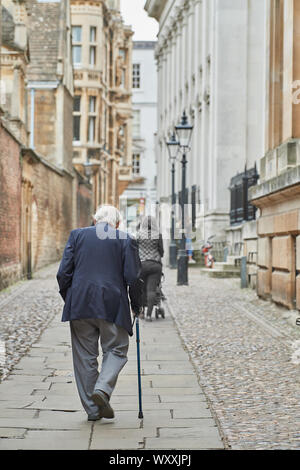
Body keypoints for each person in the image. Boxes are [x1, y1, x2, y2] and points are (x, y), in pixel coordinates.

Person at [56, 205, 142, 422]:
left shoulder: (77, 235)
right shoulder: (125, 239)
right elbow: (133, 277)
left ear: (95, 220)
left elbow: (63, 274)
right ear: (118, 223)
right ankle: (103, 389)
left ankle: (93, 411)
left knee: (85, 357)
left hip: (80, 304)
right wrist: (137, 305)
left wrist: (72, 299)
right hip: (112, 305)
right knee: (117, 349)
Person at [137, 215, 164, 322]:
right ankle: (149, 315)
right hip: (155, 265)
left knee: (142, 289)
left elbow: (134, 250)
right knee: (151, 290)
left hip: (142, 264)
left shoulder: (138, 235)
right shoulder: (158, 235)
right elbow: (161, 251)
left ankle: (142, 312)